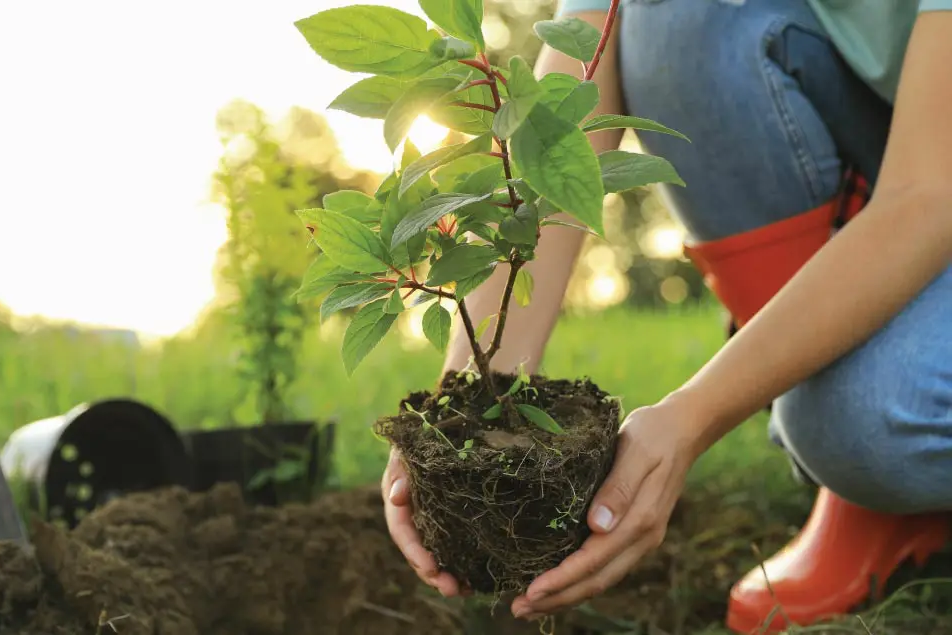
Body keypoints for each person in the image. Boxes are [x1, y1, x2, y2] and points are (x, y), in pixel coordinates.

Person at [381, 0, 952, 632]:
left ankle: (866, 470)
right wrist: (459, 400)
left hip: (931, 181)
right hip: (913, 134)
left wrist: (690, 420)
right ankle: (855, 480)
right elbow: (578, 76)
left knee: (867, 417)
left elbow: (927, 194)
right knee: (669, 23)